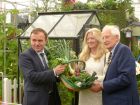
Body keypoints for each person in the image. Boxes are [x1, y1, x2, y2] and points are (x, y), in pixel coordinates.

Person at [91, 25, 140, 105]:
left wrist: (102, 85)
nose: (104, 40)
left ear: (117, 37)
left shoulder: (123, 50)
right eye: (103, 38)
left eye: (107, 37)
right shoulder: (113, 52)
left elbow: (126, 78)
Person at [19, 28, 66, 105]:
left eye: (40, 40)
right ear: (30, 40)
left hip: (52, 98)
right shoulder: (25, 56)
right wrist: (54, 72)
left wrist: (62, 74)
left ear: (46, 41)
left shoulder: (49, 54)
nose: (37, 43)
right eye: (34, 40)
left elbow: (51, 75)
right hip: (36, 100)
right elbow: (32, 77)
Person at [78, 28, 108, 105]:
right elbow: (79, 73)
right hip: (84, 94)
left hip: (98, 93)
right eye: (87, 39)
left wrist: (89, 80)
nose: (89, 41)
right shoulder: (83, 56)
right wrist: (77, 74)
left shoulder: (106, 55)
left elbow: (108, 76)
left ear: (99, 39)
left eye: (92, 38)